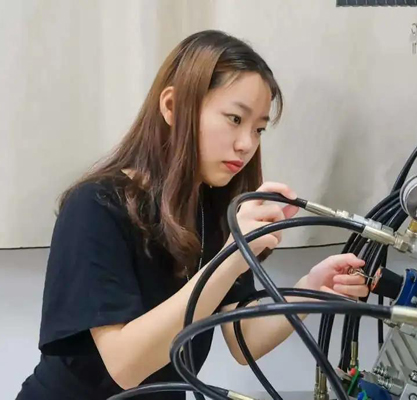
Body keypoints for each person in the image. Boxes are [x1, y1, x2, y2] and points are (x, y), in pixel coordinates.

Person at [16, 30, 369, 400]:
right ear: (172, 106)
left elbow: (244, 340)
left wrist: (312, 288)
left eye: (259, 129)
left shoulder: (213, 210)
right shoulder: (96, 206)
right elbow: (125, 366)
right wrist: (231, 258)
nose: (247, 144)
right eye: (235, 118)